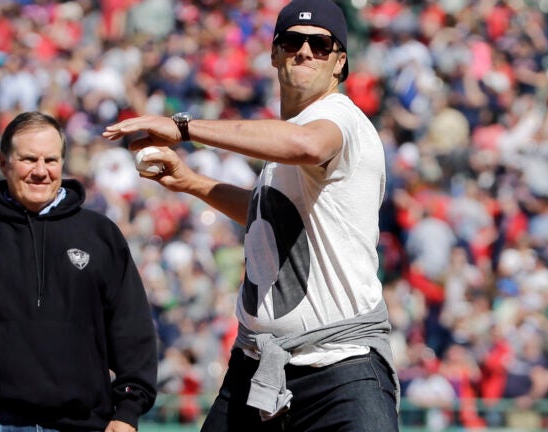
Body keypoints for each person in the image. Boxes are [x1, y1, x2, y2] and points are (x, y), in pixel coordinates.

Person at [103, 0, 399, 430]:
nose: (304, 51)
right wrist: (192, 183)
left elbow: (308, 146)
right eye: (292, 41)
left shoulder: (337, 118)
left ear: (340, 63)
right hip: (259, 366)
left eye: (320, 44)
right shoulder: (283, 141)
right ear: (275, 53)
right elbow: (269, 218)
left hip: (340, 370)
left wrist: (185, 128)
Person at [0, 111, 158, 432]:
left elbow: (131, 328)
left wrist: (128, 411)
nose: (41, 171)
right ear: (3, 162)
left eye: (50, 160)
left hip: (85, 425)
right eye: (28, 159)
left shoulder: (101, 236)